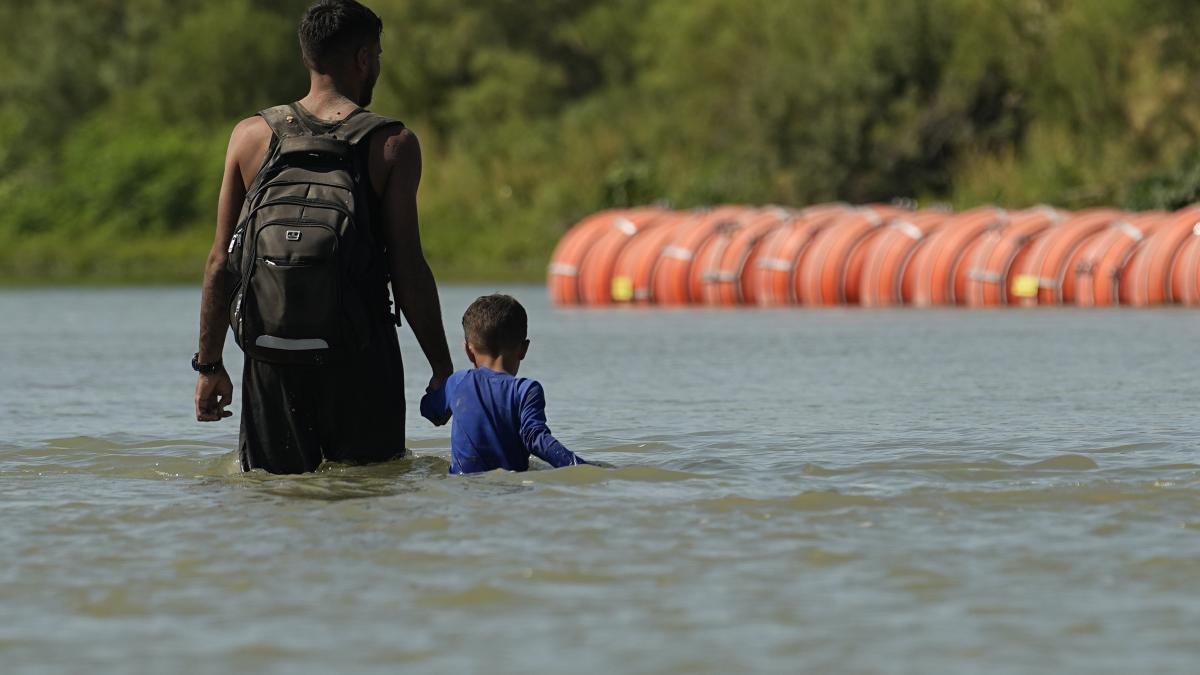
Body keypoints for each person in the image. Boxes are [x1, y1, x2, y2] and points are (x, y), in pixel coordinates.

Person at [193, 0, 453, 474]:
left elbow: (220, 262)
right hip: (360, 356)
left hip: (271, 356)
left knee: (275, 496)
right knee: (369, 487)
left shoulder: (250, 136)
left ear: (307, 57)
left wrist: (210, 367)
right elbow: (407, 267)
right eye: (377, 54)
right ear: (362, 59)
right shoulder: (392, 144)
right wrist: (442, 369)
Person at [420, 294, 589, 474]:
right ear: (523, 349)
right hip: (511, 490)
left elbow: (430, 412)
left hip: (464, 490)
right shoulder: (526, 390)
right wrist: (581, 467)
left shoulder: (457, 382)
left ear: (469, 351)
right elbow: (535, 438)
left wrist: (436, 386)